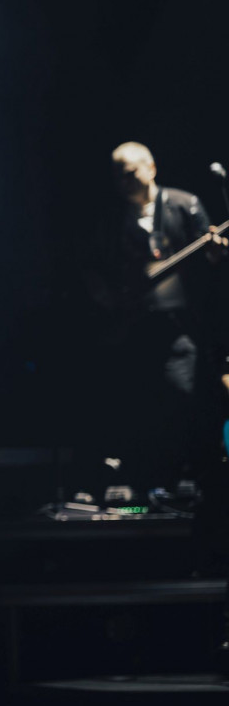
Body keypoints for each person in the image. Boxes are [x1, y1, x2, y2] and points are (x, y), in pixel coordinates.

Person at [86, 141, 228, 498]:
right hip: (133, 327)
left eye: (129, 172)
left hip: (180, 325)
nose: (123, 181)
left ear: (150, 168)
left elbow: (209, 265)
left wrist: (215, 256)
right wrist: (107, 298)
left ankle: (188, 479)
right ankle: (146, 483)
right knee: (138, 403)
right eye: (117, 175)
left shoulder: (184, 204)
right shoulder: (111, 219)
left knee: (184, 395)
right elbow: (94, 269)